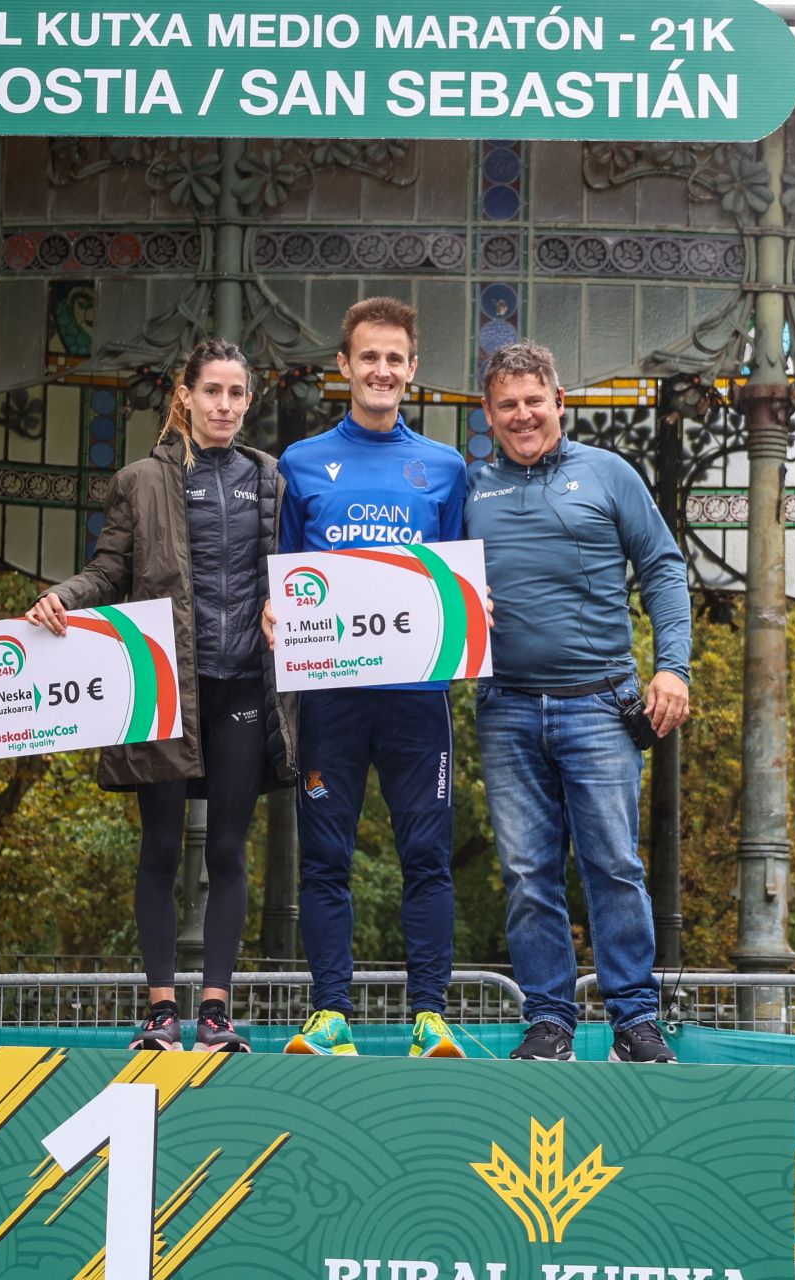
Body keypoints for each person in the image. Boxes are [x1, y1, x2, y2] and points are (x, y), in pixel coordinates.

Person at [26, 338, 295, 1054]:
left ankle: (215, 1014)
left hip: (243, 686)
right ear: (186, 395)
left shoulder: (271, 478)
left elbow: (300, 573)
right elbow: (107, 571)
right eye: (212, 392)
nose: (224, 406)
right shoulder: (140, 480)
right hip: (165, 688)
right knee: (162, 848)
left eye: (236, 394)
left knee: (229, 850)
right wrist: (61, 599)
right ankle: (160, 1014)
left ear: (248, 401)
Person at [464, 340, 693, 1063]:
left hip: (601, 705)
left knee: (614, 868)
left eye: (535, 400)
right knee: (527, 875)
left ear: (559, 402)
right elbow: (417, 580)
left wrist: (674, 668)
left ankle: (634, 1022)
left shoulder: (609, 473)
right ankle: (549, 1023)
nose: (523, 415)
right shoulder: (467, 490)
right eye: (507, 404)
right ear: (488, 414)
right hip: (505, 707)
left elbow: (662, 567)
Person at [265, 297, 469, 1059]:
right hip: (332, 696)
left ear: (413, 370)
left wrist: (467, 615)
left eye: (394, 358)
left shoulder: (446, 468)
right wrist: (274, 610)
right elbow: (284, 571)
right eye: (368, 357)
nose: (381, 370)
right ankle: (330, 1015)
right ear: (343, 366)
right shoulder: (301, 463)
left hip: (419, 698)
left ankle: (430, 1017)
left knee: (428, 857)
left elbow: (457, 580)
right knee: (325, 858)